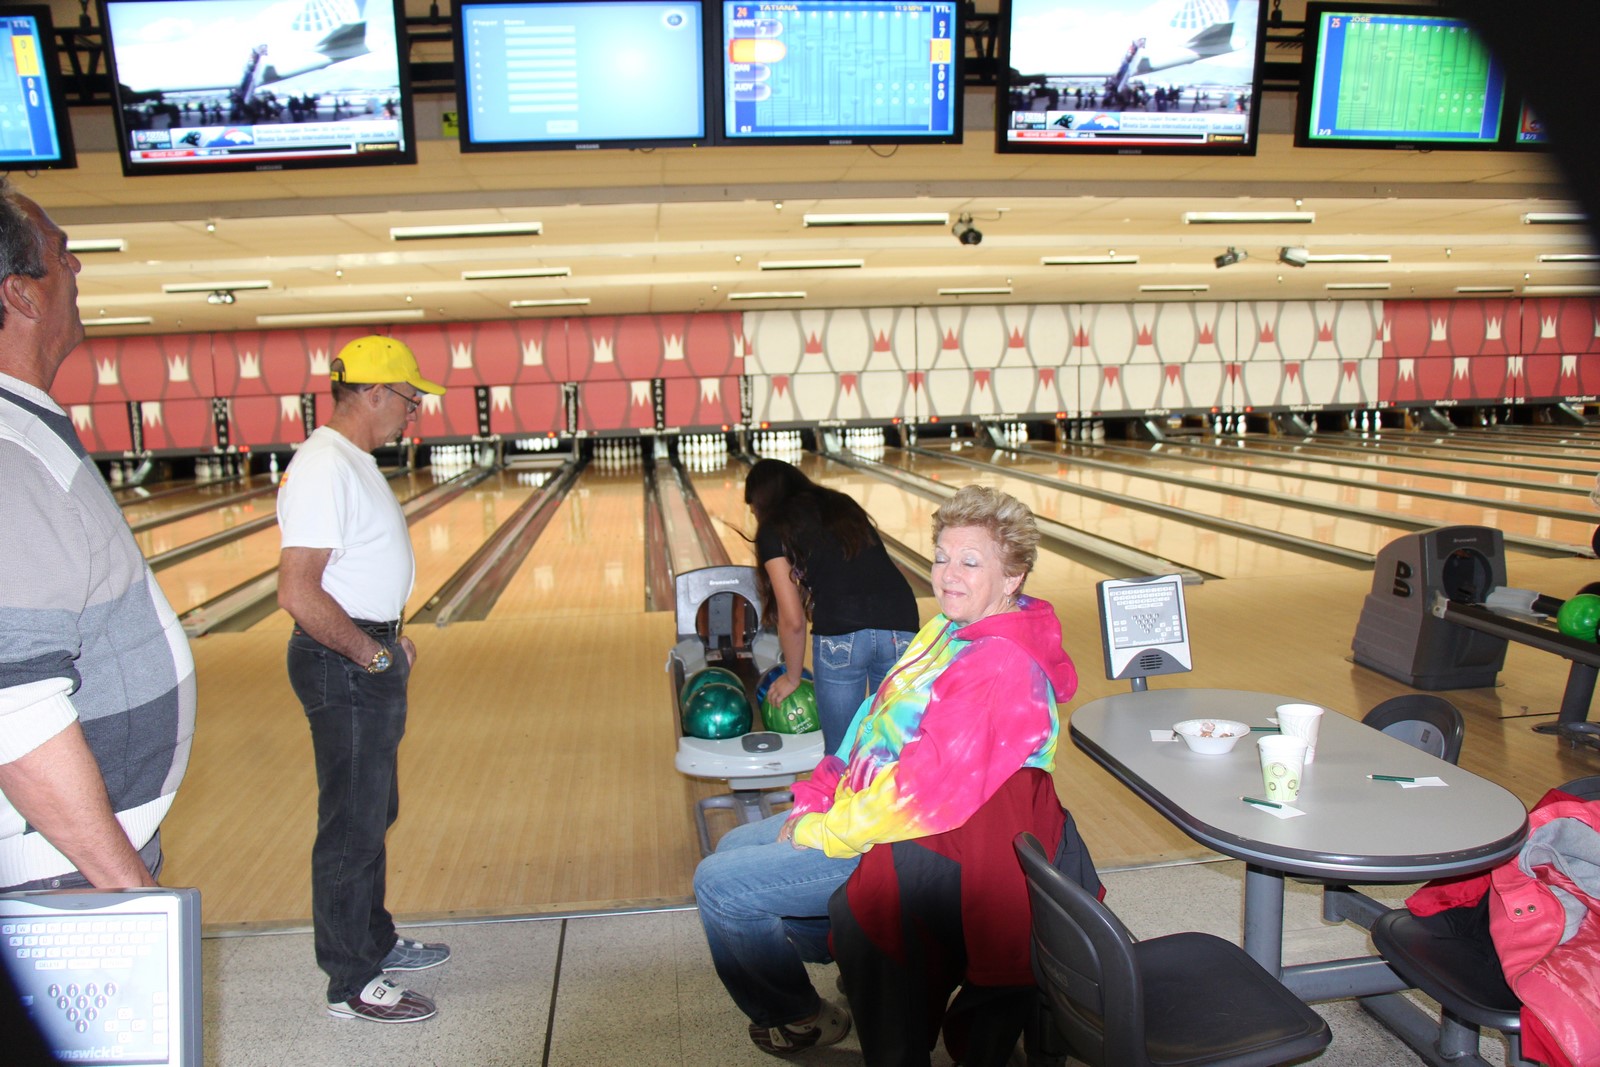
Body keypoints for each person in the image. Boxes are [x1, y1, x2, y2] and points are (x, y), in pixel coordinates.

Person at [695, 484, 1079, 1060]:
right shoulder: (949, 631)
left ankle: (800, 1016)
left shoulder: (1000, 666)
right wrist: (815, 797)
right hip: (871, 813)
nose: (948, 573)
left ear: (1013, 577)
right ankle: (849, 955)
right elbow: (868, 727)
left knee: (717, 886)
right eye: (942, 556)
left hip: (916, 847)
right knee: (732, 851)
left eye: (971, 561)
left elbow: (922, 796)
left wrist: (815, 830)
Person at [0, 179, 196, 895]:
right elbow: (10, 703)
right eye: (61, 254)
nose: (76, 268)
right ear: (21, 294)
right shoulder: (5, 449)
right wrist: (125, 889)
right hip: (59, 868)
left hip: (68, 855)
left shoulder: (20, 427)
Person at [276, 335, 447, 1024]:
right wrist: (368, 654)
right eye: (409, 398)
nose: (414, 412)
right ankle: (350, 979)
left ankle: (373, 940)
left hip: (361, 655)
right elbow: (298, 591)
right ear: (374, 392)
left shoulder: (350, 460)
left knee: (372, 813)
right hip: (343, 665)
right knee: (351, 824)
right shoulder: (324, 465)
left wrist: (386, 637)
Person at [744, 458, 919, 751]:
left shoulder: (772, 530)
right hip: (901, 623)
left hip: (843, 634)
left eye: (753, 508)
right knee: (889, 748)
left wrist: (792, 675)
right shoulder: (841, 504)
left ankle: (842, 796)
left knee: (841, 753)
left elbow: (793, 620)